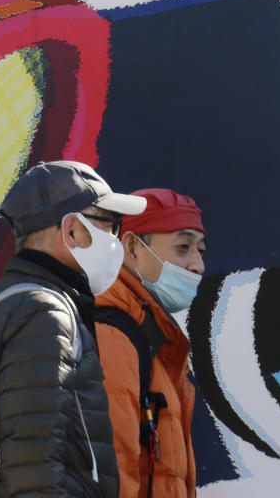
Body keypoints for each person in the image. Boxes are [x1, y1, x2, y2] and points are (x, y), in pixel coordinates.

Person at [0, 160, 147, 498]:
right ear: (72, 230)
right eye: (109, 225)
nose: (115, 240)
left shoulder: (26, 304)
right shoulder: (42, 314)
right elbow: (35, 472)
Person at [95, 188, 206, 498]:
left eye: (200, 249)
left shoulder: (148, 334)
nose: (198, 265)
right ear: (131, 246)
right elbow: (112, 477)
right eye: (183, 247)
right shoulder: (112, 336)